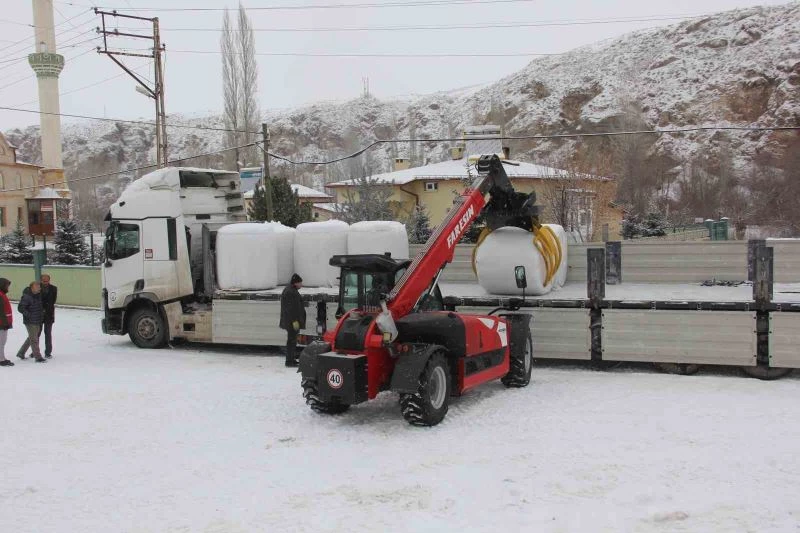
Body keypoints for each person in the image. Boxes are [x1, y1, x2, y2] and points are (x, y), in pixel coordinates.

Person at [280, 273, 306, 367]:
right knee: (291, 341)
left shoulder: (292, 290)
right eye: (300, 283)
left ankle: (291, 359)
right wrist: (295, 321)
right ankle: (289, 361)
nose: (301, 285)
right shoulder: (290, 292)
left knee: (293, 340)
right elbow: (290, 309)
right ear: (296, 283)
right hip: (292, 322)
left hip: (292, 321)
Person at [16, 281, 46, 363]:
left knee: (32, 338)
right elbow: (21, 308)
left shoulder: (38, 295)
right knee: (34, 339)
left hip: (38, 320)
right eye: (37, 286)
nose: (39, 288)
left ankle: (21, 353)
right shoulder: (27, 296)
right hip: (30, 321)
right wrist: (29, 315)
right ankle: (38, 357)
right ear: (32, 287)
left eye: (39, 286)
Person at [39, 274, 57, 358]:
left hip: (49, 315)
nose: (45, 282)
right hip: (38, 314)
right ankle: (35, 351)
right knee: (36, 334)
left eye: (47, 281)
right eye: (43, 281)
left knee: (48, 334)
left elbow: (53, 300)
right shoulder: (37, 288)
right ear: (40, 280)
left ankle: (48, 352)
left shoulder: (54, 288)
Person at [0, 278, 14, 367]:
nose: (8, 287)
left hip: (4, 322)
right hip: (2, 323)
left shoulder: (2, 294)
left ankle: (2, 357)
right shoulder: (0, 295)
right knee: (1, 342)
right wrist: (4, 323)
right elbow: (1, 311)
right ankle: (1, 359)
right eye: (7, 286)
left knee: (2, 342)